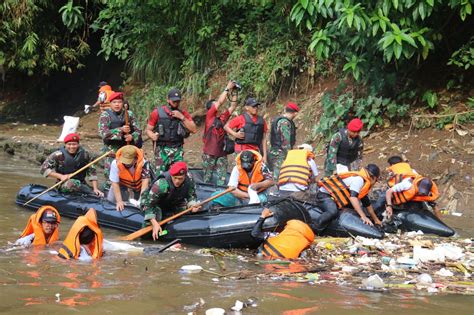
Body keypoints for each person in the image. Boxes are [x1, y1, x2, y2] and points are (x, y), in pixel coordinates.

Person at [140, 162, 201, 240]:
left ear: (185, 176)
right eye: (175, 178)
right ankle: (147, 237)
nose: (177, 181)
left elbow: (191, 196)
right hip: (153, 203)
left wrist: (192, 205)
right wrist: (154, 223)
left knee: (188, 211)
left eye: (180, 179)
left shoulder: (189, 179)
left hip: (172, 202)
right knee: (156, 213)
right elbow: (149, 205)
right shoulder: (162, 184)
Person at [146, 88, 197, 174]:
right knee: (160, 175)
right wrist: (153, 136)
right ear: (168, 100)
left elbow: (194, 129)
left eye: (178, 101)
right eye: (173, 101)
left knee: (178, 174)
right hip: (161, 149)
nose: (176, 103)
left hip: (177, 149)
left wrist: (182, 117)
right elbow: (148, 130)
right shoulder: (157, 112)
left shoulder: (183, 113)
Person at [316, 164, 382, 231]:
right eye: (376, 181)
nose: (374, 183)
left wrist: (376, 219)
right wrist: (363, 216)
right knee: (333, 211)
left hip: (335, 198)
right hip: (325, 195)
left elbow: (367, 204)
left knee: (354, 212)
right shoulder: (359, 180)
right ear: (372, 177)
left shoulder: (364, 183)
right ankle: (316, 228)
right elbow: (353, 198)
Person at [98, 91, 142, 190]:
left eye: (119, 102)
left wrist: (132, 136)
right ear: (110, 104)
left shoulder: (129, 114)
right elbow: (103, 133)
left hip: (127, 152)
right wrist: (120, 130)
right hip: (111, 152)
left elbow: (138, 130)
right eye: (114, 102)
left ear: (123, 103)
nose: (117, 104)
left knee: (128, 178)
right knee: (111, 180)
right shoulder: (105, 115)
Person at [375, 156, 442, 220]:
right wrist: (389, 206)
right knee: (383, 199)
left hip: (411, 196)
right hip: (403, 194)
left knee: (431, 203)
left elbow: (435, 207)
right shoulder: (407, 183)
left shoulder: (422, 182)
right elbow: (389, 191)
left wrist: (442, 224)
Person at [202, 81, 238, 185]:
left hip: (222, 154)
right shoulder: (209, 117)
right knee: (206, 179)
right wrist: (227, 87)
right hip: (209, 154)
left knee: (222, 180)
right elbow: (220, 102)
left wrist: (235, 91)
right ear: (210, 108)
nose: (217, 105)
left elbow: (232, 107)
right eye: (215, 105)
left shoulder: (221, 118)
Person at [107, 145, 151, 211]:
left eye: (129, 161)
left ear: (136, 159)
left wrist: (141, 200)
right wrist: (119, 201)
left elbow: (145, 183)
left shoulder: (144, 163)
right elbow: (115, 183)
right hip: (122, 184)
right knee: (111, 201)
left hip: (139, 186)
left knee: (141, 205)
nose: (125, 163)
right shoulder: (115, 163)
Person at [224, 97, 268, 161]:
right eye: (253, 106)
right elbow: (226, 127)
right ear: (247, 107)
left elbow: (264, 139)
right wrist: (235, 134)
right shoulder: (240, 118)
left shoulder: (262, 121)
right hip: (241, 149)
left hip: (255, 151)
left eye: (256, 106)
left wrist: (265, 155)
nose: (255, 108)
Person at [268, 102, 300, 178]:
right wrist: (289, 154)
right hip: (280, 154)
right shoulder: (284, 123)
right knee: (279, 176)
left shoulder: (280, 120)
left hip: (276, 152)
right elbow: (285, 141)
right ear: (295, 113)